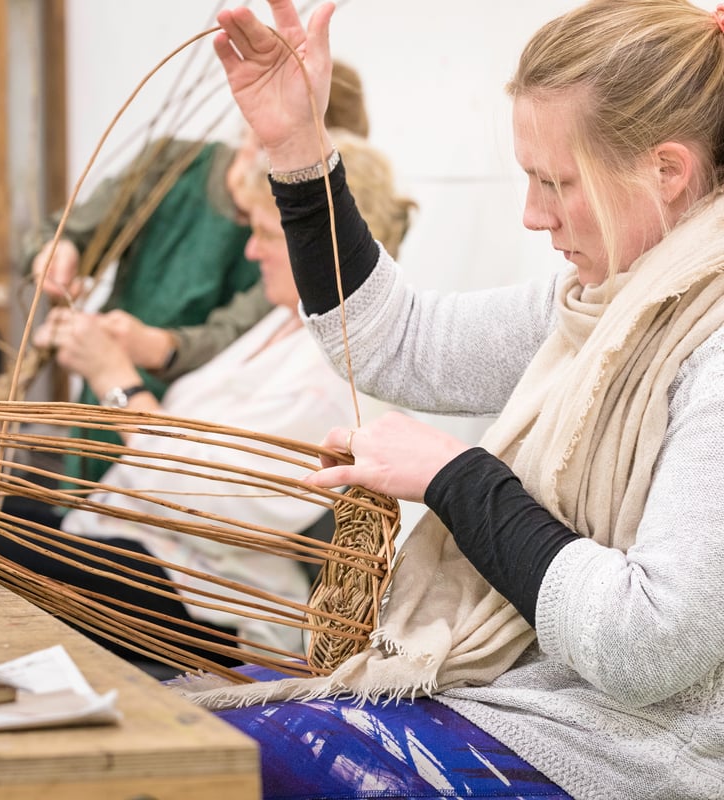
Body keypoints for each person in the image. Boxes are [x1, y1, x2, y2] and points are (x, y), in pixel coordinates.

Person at [186, 1, 724, 798]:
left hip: (641, 758)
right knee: (190, 720)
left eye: (556, 182)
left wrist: (455, 477)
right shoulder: (598, 305)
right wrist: (295, 145)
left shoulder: (708, 345)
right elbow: (388, 340)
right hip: (529, 706)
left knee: (207, 750)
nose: (532, 214)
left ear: (667, 171)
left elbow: (646, 646)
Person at [0, 127, 414, 674]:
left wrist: (119, 382)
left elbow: (208, 498)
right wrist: (135, 345)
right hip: (133, 540)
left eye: (262, 233)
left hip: (208, 599)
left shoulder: (335, 367)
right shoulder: (284, 325)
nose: (251, 251)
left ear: (313, 241)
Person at [26, 60, 370, 486]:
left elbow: (233, 339)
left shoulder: (301, 244)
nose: (253, 246)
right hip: (113, 407)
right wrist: (60, 251)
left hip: (186, 434)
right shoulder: (173, 165)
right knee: (87, 517)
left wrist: (147, 351)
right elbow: (72, 230)